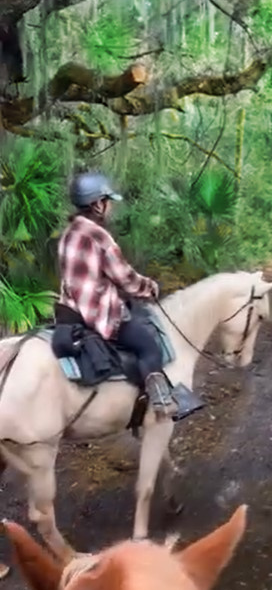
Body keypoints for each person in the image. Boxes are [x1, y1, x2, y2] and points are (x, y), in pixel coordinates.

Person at [57, 172, 202, 420]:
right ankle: (161, 402)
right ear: (97, 204)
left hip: (70, 313)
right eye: (107, 201)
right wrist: (149, 287)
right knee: (148, 346)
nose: (110, 206)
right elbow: (125, 278)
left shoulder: (68, 233)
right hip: (98, 315)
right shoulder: (99, 236)